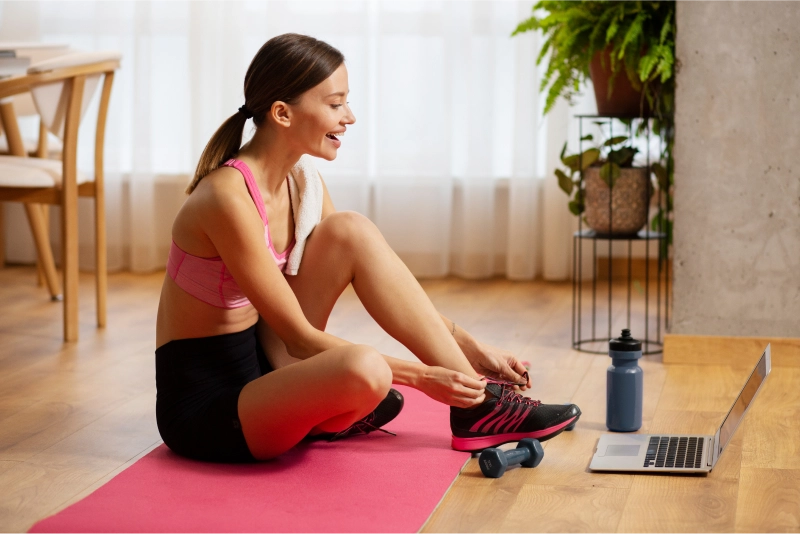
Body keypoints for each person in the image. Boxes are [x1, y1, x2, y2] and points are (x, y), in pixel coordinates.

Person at [155, 33, 580, 463]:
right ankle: (416, 402)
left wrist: (471, 350)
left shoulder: (302, 180)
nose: (350, 117)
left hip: (265, 361)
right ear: (282, 113)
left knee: (350, 230)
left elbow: (382, 283)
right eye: (336, 103)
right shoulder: (226, 197)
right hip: (213, 406)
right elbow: (299, 339)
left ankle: (476, 405)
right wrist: (426, 378)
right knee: (367, 370)